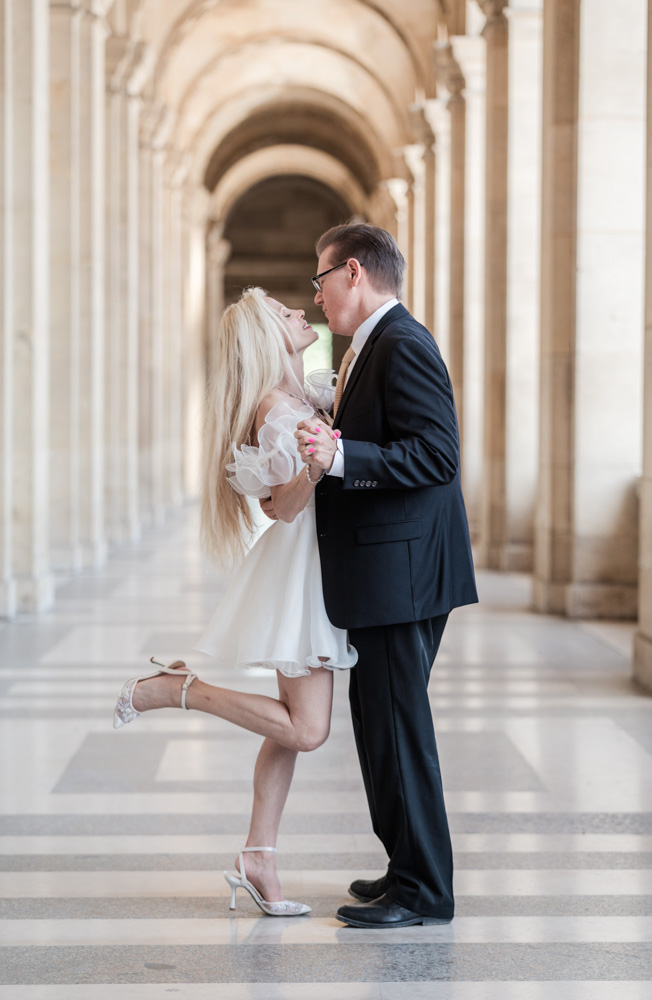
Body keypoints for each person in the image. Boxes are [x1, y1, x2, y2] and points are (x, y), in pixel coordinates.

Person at [112, 287, 357, 917]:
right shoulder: (279, 412)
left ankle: (258, 856)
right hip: (301, 575)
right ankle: (175, 689)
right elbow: (291, 503)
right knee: (307, 729)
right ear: (265, 339)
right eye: (284, 313)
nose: (299, 313)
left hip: (312, 568)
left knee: (287, 725)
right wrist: (319, 462)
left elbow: (276, 500)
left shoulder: (297, 398)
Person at [284, 223, 478, 928]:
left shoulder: (402, 342)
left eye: (320, 279)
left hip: (405, 574)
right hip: (386, 573)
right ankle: (404, 867)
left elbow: (436, 456)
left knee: (398, 730)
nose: (316, 295)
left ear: (353, 272)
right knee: (379, 727)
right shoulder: (372, 347)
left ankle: (425, 890)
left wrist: (340, 459)